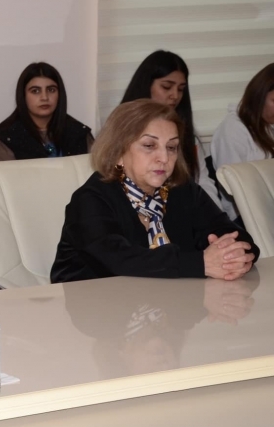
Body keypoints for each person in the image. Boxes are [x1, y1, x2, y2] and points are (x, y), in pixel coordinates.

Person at [51, 100, 257, 283]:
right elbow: (120, 260)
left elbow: (235, 236)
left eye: (171, 147)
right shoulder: (90, 199)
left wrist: (234, 256)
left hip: (173, 305)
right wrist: (200, 263)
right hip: (97, 306)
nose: (164, 158)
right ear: (118, 152)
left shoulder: (183, 191)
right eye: (149, 145)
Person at [120, 50, 222, 208]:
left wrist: (214, 214)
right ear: (146, 85)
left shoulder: (188, 135)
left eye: (180, 89)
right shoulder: (122, 130)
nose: (175, 95)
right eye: (166, 87)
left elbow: (202, 182)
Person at [0, 62, 94, 161]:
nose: (44, 97)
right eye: (35, 91)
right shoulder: (7, 138)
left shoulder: (78, 133)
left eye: (51, 90)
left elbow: (96, 173)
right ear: (23, 96)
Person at [211, 63, 274, 220]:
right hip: (246, 216)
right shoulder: (233, 130)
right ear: (259, 96)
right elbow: (235, 187)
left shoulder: (268, 125)